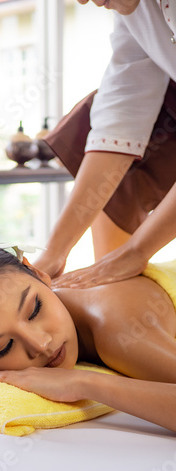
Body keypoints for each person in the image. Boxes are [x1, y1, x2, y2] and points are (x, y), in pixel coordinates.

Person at [0, 240, 176, 432]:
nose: (40, 344)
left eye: (35, 309)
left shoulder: (119, 333)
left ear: (39, 273)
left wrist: (85, 382)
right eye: (4, 348)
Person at [34, 0, 176, 288]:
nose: (89, 1)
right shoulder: (133, 10)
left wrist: (138, 251)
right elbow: (124, 108)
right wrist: (55, 252)